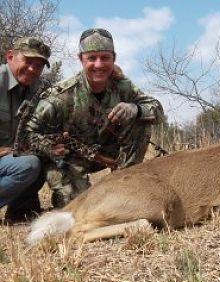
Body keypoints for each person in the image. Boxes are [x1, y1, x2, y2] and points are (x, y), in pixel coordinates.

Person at [25, 28, 164, 208]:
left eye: (105, 58)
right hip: (70, 159)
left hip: (106, 152)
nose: (98, 65)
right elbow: (28, 134)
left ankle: (124, 183)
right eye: (92, 58)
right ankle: (66, 194)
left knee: (142, 119)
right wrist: (49, 147)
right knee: (79, 206)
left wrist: (135, 108)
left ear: (114, 58)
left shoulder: (123, 86)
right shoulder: (60, 96)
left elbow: (158, 111)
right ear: (81, 59)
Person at [0, 37, 51, 223]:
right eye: (28, 61)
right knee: (28, 164)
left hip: (7, 159)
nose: (32, 69)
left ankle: (21, 211)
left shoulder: (34, 90)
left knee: (44, 157)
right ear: (10, 56)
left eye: (38, 66)